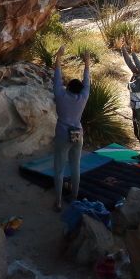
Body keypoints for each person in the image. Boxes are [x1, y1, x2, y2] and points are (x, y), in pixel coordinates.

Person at [52, 46, 91, 211]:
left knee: (59, 168)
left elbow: (57, 77)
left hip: (62, 133)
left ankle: (59, 202)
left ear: (67, 88)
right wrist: (87, 63)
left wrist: (59, 58)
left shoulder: (60, 95)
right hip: (78, 133)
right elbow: (87, 80)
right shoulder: (83, 97)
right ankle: (74, 197)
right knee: (75, 166)